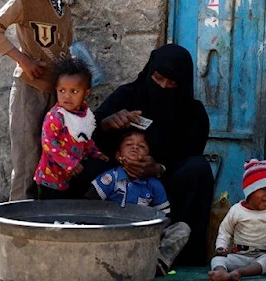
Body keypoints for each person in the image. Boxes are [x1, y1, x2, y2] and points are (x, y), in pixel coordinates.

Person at [92, 43, 213, 265]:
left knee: (199, 170)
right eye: (158, 79)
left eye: (172, 83)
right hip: (118, 180)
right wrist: (107, 125)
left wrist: (157, 168)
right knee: (86, 169)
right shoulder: (126, 96)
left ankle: (179, 258)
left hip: (164, 185)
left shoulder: (193, 114)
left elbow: (189, 154)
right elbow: (88, 137)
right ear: (149, 72)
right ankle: (90, 241)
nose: (163, 87)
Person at [0, 0, 82, 200]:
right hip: (30, 89)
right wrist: (22, 59)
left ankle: (43, 223)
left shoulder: (63, 6)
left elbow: (65, 46)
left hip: (57, 95)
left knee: (53, 161)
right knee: (27, 161)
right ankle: (19, 227)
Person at [87, 129, 191, 276]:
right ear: (118, 155)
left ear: (149, 158)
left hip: (144, 237)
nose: (135, 147)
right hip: (112, 235)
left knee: (182, 229)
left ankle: (158, 263)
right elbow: (90, 204)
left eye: (141, 146)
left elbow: (164, 218)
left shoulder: (154, 185)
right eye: (129, 144)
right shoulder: (111, 178)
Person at [33, 56, 109, 200]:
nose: (67, 96)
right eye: (62, 91)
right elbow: (49, 143)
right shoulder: (56, 116)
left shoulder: (85, 115)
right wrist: (69, 163)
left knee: (67, 211)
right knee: (51, 213)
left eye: (74, 92)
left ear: (86, 93)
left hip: (70, 175)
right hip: (51, 177)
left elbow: (86, 139)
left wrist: (96, 154)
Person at [208, 159, 266, 281]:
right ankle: (221, 273)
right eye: (264, 190)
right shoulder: (236, 210)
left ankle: (239, 273)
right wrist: (221, 247)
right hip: (239, 257)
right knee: (217, 260)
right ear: (250, 191)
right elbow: (225, 231)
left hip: (262, 256)